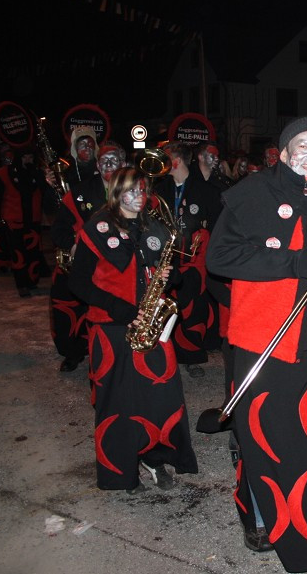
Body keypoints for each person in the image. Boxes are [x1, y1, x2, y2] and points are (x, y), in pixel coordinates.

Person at [205, 116, 307, 574]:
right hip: (264, 342)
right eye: (303, 146)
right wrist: (297, 261)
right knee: (264, 444)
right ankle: (260, 515)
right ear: (282, 149)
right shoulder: (252, 193)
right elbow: (219, 258)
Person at [68, 166, 198, 494]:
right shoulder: (97, 226)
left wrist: (172, 277)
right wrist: (118, 308)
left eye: (143, 191)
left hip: (152, 322)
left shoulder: (153, 226)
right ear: (116, 192)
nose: (139, 197)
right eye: (132, 191)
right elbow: (78, 282)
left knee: (161, 397)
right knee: (118, 403)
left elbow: (173, 274)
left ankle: (154, 458)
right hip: (111, 328)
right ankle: (120, 470)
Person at [152, 141, 224, 378]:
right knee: (162, 307)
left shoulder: (206, 191)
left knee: (193, 310)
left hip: (194, 262)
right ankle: (162, 353)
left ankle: (192, 357)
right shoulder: (160, 190)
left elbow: (218, 226)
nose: (162, 162)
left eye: (166, 157)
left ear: (177, 160)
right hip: (166, 259)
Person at [49, 142, 123, 372]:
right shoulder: (80, 191)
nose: (108, 165)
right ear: (97, 164)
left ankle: (115, 355)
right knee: (71, 303)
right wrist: (71, 245)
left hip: (119, 266)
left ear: (123, 163)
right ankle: (74, 352)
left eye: (114, 160)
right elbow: (58, 229)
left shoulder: (133, 190)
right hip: (85, 263)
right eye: (104, 160)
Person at [0, 146, 45, 297]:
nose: (27, 160)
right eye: (24, 157)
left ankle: (32, 283)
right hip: (14, 222)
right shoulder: (4, 173)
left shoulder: (38, 173)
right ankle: (22, 285)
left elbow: (46, 194)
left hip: (32, 221)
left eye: (30, 157)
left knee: (34, 254)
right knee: (18, 255)